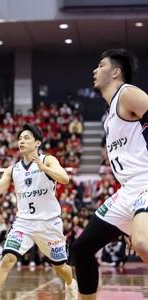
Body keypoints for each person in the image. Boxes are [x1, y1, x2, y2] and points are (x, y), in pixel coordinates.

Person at [0, 124, 78, 300]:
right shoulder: (13, 169)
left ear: (37, 143)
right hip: (24, 223)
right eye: (20, 138)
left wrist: (44, 168)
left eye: (26, 138)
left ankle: (71, 283)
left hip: (49, 224)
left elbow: (65, 178)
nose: (21, 141)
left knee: (60, 268)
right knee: (8, 259)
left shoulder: (48, 159)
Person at [71, 48, 148, 300]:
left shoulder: (127, 93)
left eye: (101, 65)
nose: (95, 70)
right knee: (81, 249)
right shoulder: (109, 116)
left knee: (142, 243)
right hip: (127, 192)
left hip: (145, 181)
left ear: (116, 72)